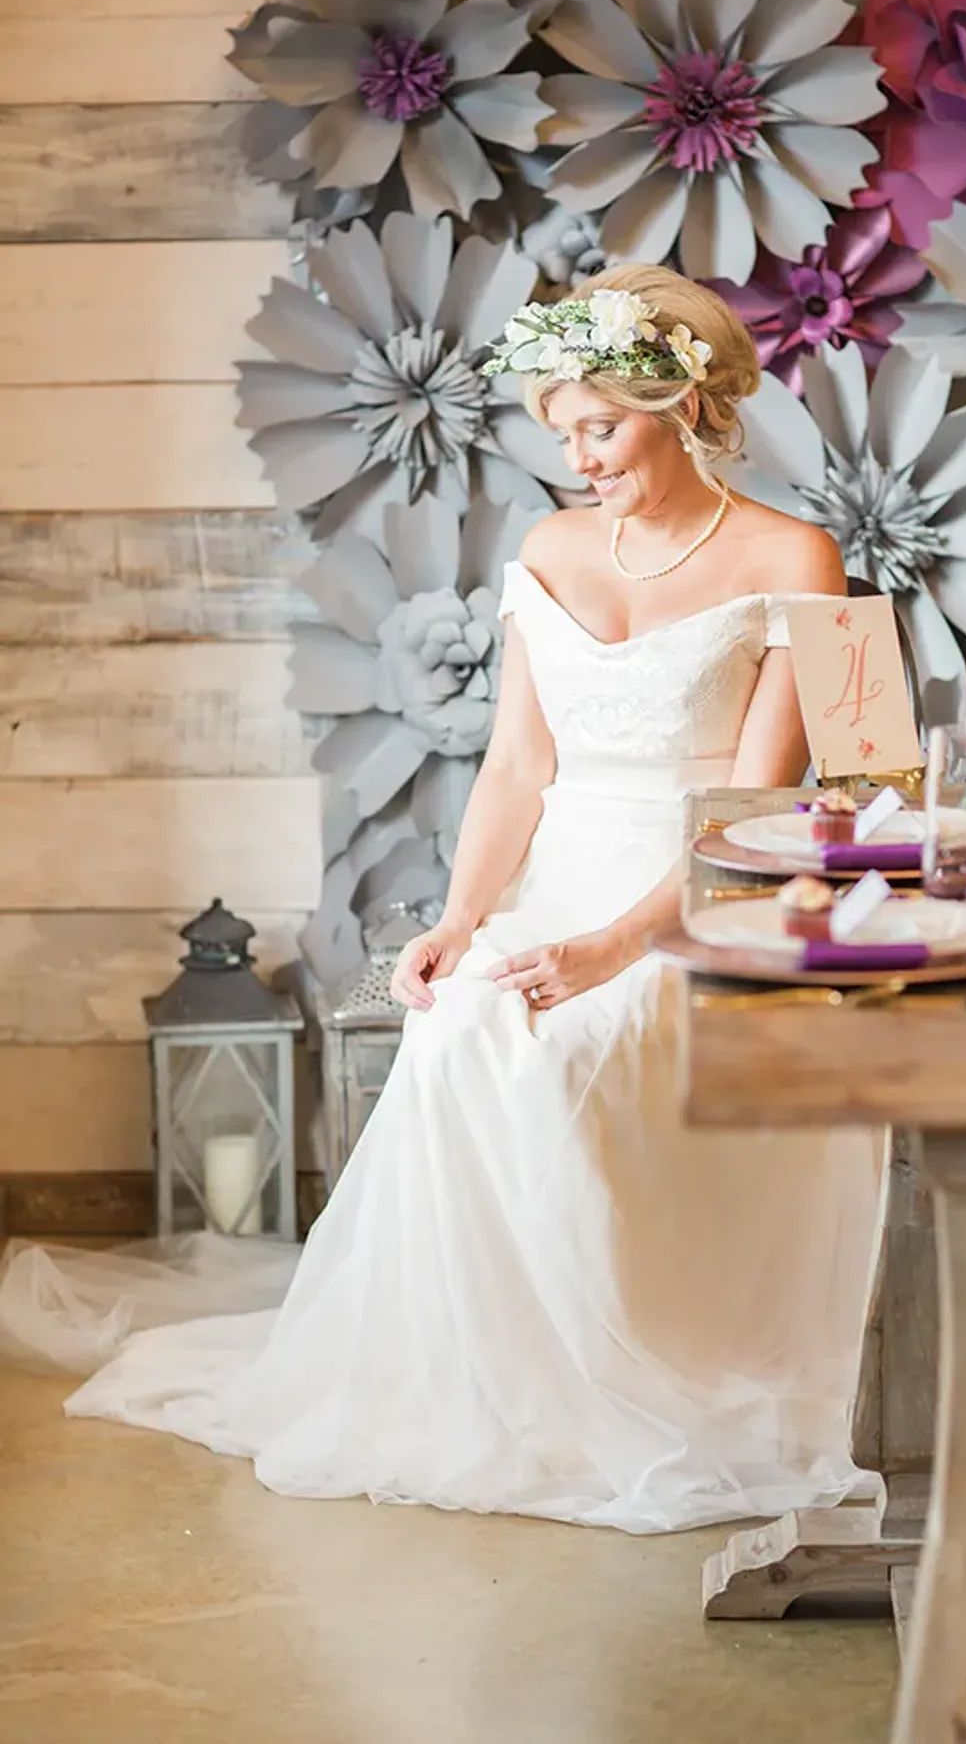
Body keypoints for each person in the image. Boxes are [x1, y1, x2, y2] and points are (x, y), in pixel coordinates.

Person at [0, 265, 884, 1534]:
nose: (578, 457)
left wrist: (616, 946)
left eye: (601, 426)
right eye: (562, 431)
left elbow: (759, 811)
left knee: (588, 1027)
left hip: (702, 903)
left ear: (680, 400)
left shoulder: (791, 551)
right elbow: (520, 765)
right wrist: (464, 916)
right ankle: (514, 1385)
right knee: (467, 1011)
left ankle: (652, 1367)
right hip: (563, 881)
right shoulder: (552, 547)